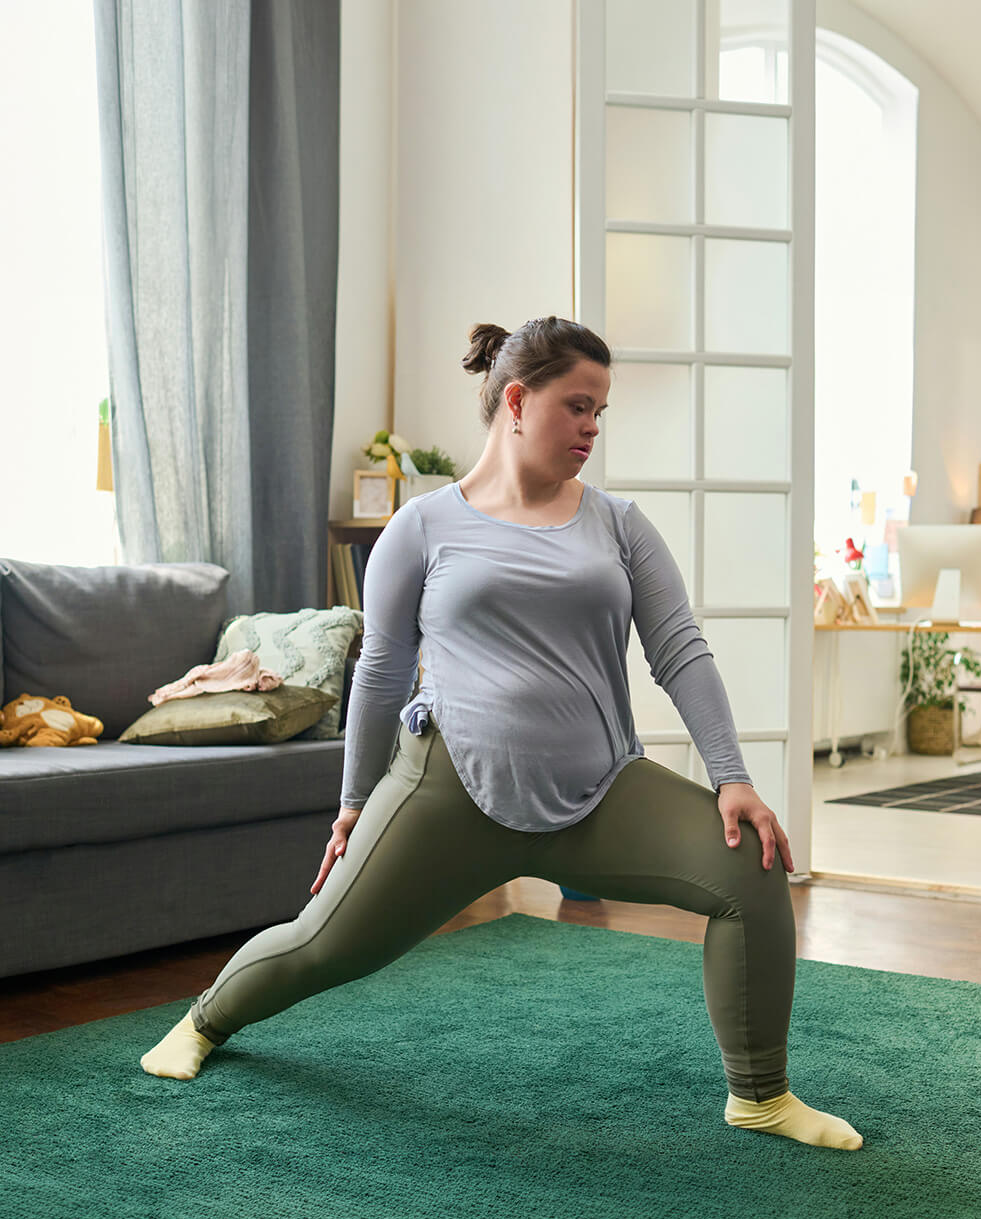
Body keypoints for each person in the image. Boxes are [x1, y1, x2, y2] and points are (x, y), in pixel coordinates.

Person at [140, 316, 863, 1152]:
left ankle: (762, 1095)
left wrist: (731, 775)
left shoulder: (621, 526)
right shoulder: (421, 527)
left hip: (598, 791)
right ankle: (202, 1023)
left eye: (602, 410)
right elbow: (379, 671)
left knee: (753, 865)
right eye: (578, 406)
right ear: (517, 400)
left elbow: (681, 653)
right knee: (321, 946)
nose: (594, 427)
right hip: (447, 792)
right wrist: (351, 805)